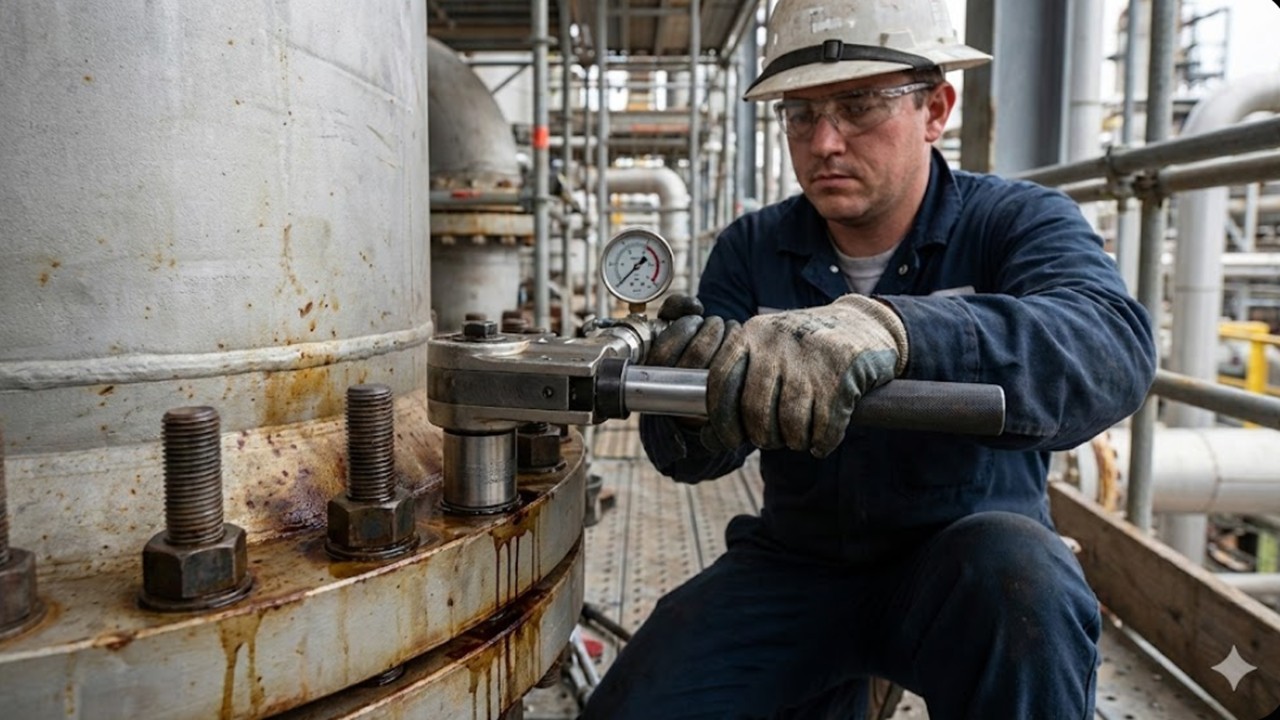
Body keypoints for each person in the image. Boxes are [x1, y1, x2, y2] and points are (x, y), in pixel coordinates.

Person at [580, 0, 1157, 718]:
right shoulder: (752, 249)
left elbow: (1111, 347)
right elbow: (687, 460)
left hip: (967, 566)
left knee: (1028, 583)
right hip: (799, 563)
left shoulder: (1014, 222)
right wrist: (698, 407)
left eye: (858, 106)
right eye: (800, 114)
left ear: (935, 109)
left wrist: (896, 328)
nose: (824, 142)